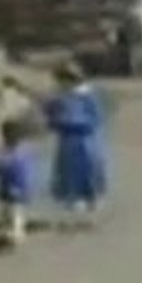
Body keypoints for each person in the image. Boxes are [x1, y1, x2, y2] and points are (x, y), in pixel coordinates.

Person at [43, 62, 108, 228]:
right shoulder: (60, 97)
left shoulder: (87, 96)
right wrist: (54, 119)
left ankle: (90, 208)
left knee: (89, 172)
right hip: (67, 142)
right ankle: (74, 211)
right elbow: (51, 116)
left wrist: (72, 122)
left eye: (63, 80)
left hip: (85, 141)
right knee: (68, 176)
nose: (60, 84)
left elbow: (96, 118)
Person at [0, 118, 35, 249]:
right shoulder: (23, 150)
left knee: (14, 212)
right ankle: (11, 234)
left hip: (14, 187)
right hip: (14, 186)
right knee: (10, 211)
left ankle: (15, 235)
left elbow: (4, 166)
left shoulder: (14, 152)